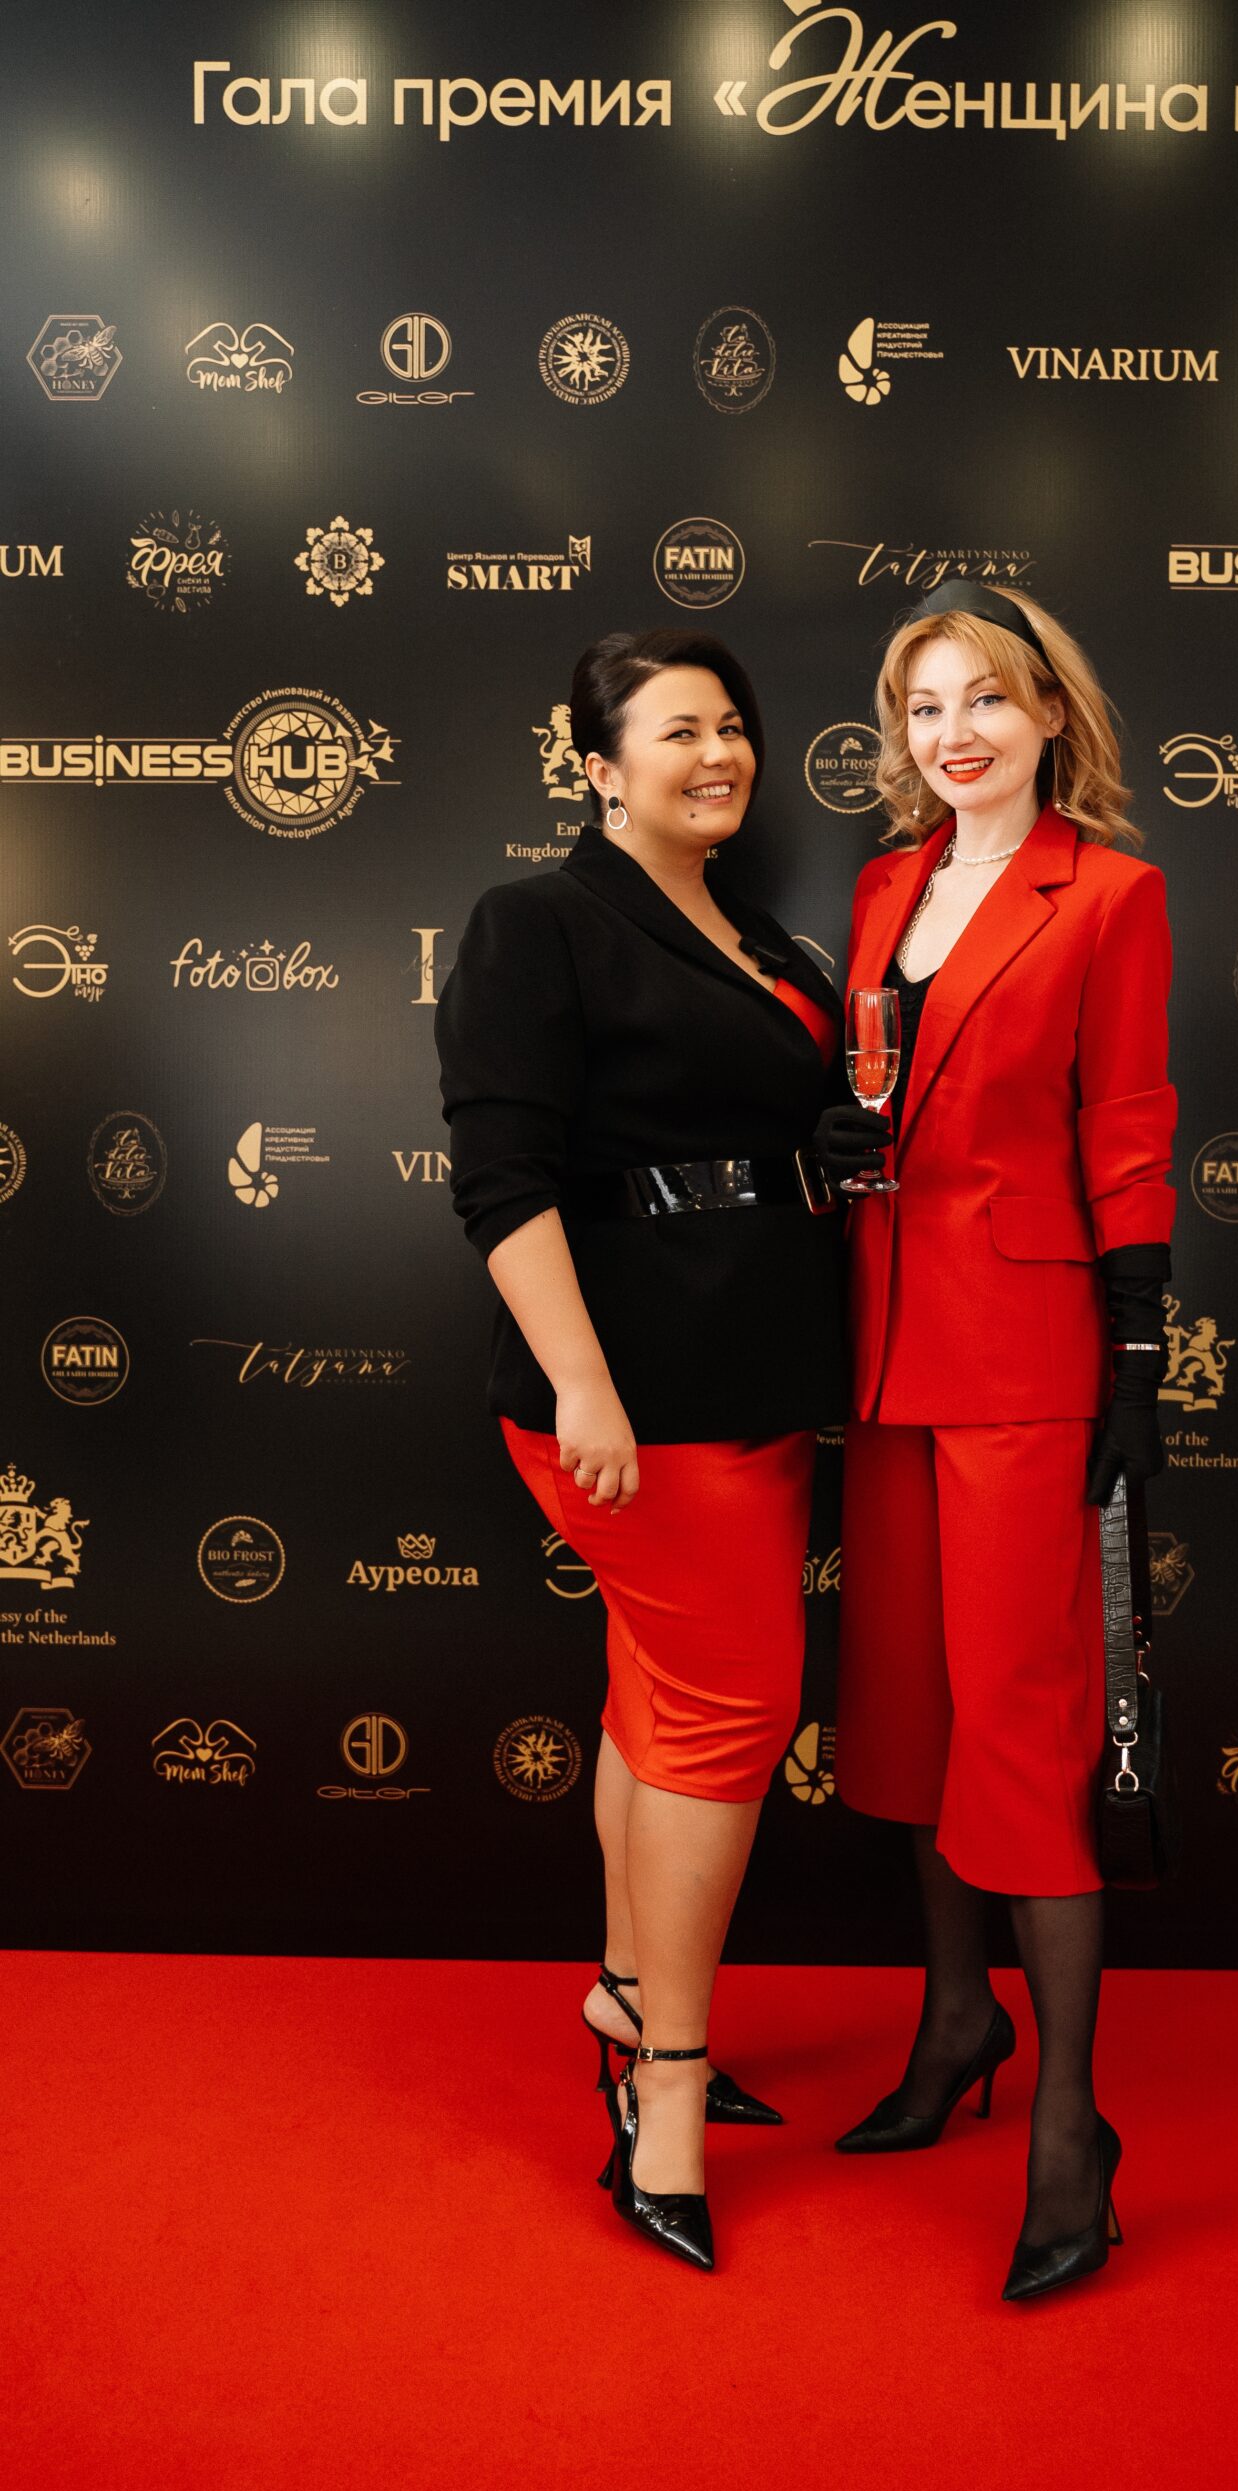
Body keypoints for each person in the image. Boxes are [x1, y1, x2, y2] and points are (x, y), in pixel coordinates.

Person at [435, 629, 845, 2274]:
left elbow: (731, 1130)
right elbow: (502, 1180)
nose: (718, 753)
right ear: (597, 765)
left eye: (732, 725)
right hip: (636, 1402)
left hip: (753, 1380)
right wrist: (583, 1385)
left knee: (661, 1702)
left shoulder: (757, 935)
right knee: (727, 1722)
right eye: (678, 730)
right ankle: (664, 2083)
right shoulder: (537, 921)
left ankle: (623, 1989)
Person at [813, 582, 1176, 2302]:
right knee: (907, 1713)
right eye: (923, 707)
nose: (951, 733)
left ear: (1046, 714)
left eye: (982, 700)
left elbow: (1129, 1124)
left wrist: (1138, 1354)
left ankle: (1072, 2127)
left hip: (1028, 1356)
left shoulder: (1109, 893)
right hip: (882, 1352)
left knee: (1021, 1734)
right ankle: (958, 2022)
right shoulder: (884, 886)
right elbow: (876, 1094)